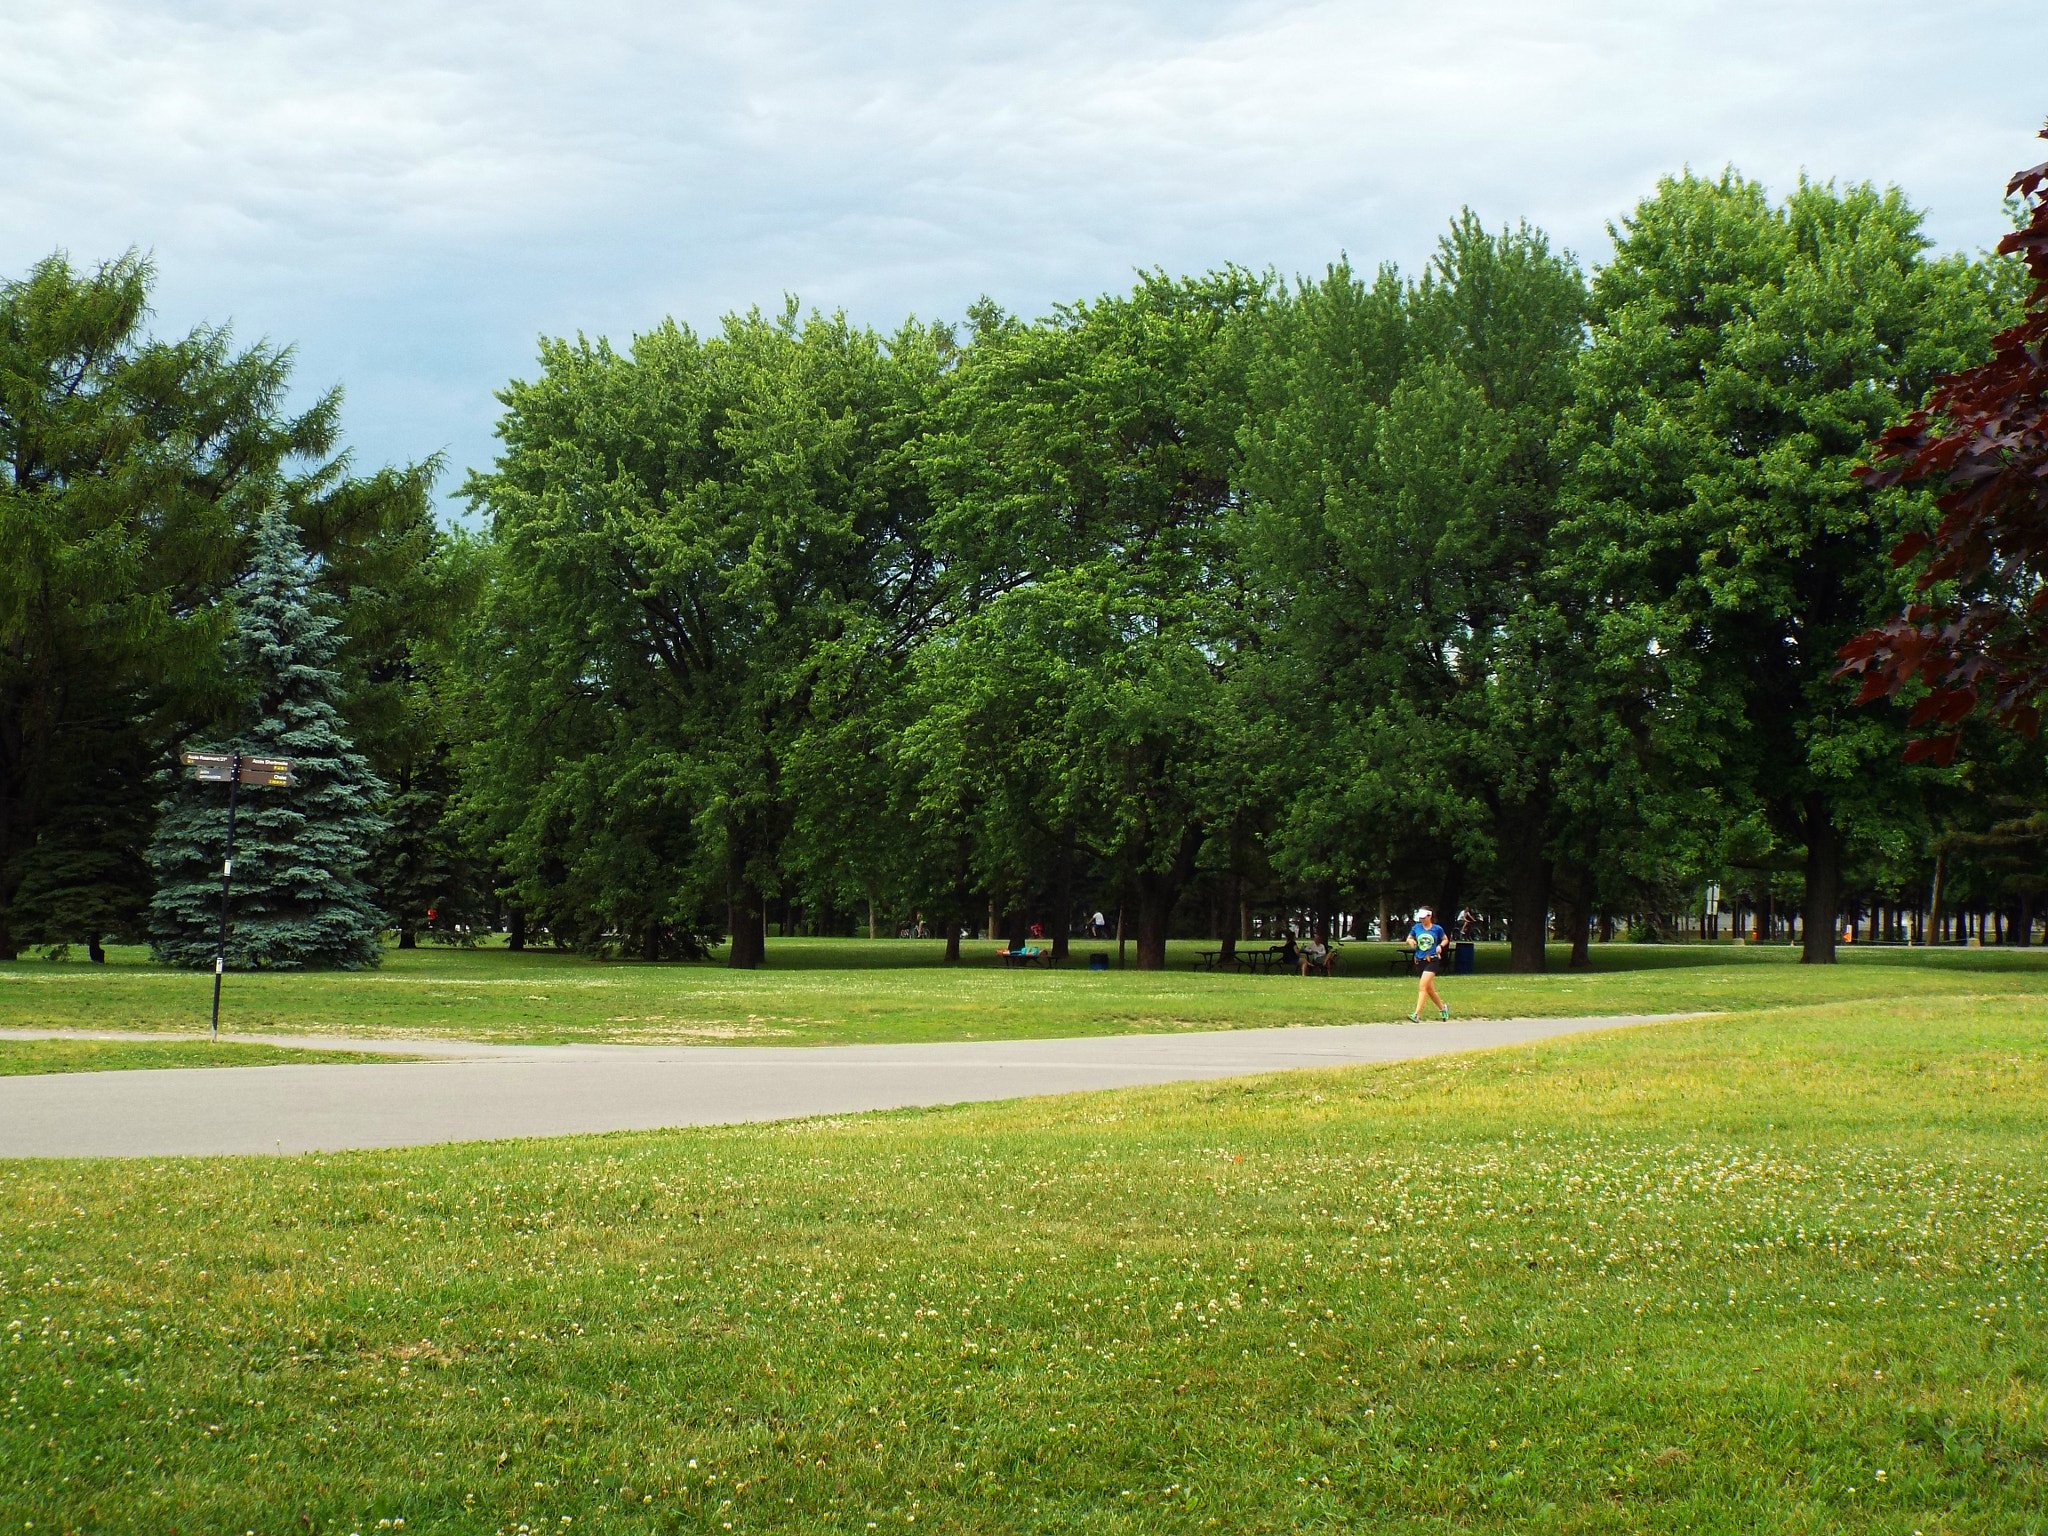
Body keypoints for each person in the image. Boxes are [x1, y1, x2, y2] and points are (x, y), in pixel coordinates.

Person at [1405, 906, 1450, 1021]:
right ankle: (1443, 1009)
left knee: (1422, 987)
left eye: (1423, 918)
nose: (1421, 920)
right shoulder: (1417, 928)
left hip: (1432, 960)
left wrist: (1440, 946)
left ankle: (1416, 1014)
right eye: (1420, 918)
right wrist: (1411, 941)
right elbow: (1409, 938)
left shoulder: (1437, 929)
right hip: (1420, 961)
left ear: (1430, 916)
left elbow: (1445, 939)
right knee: (1429, 990)